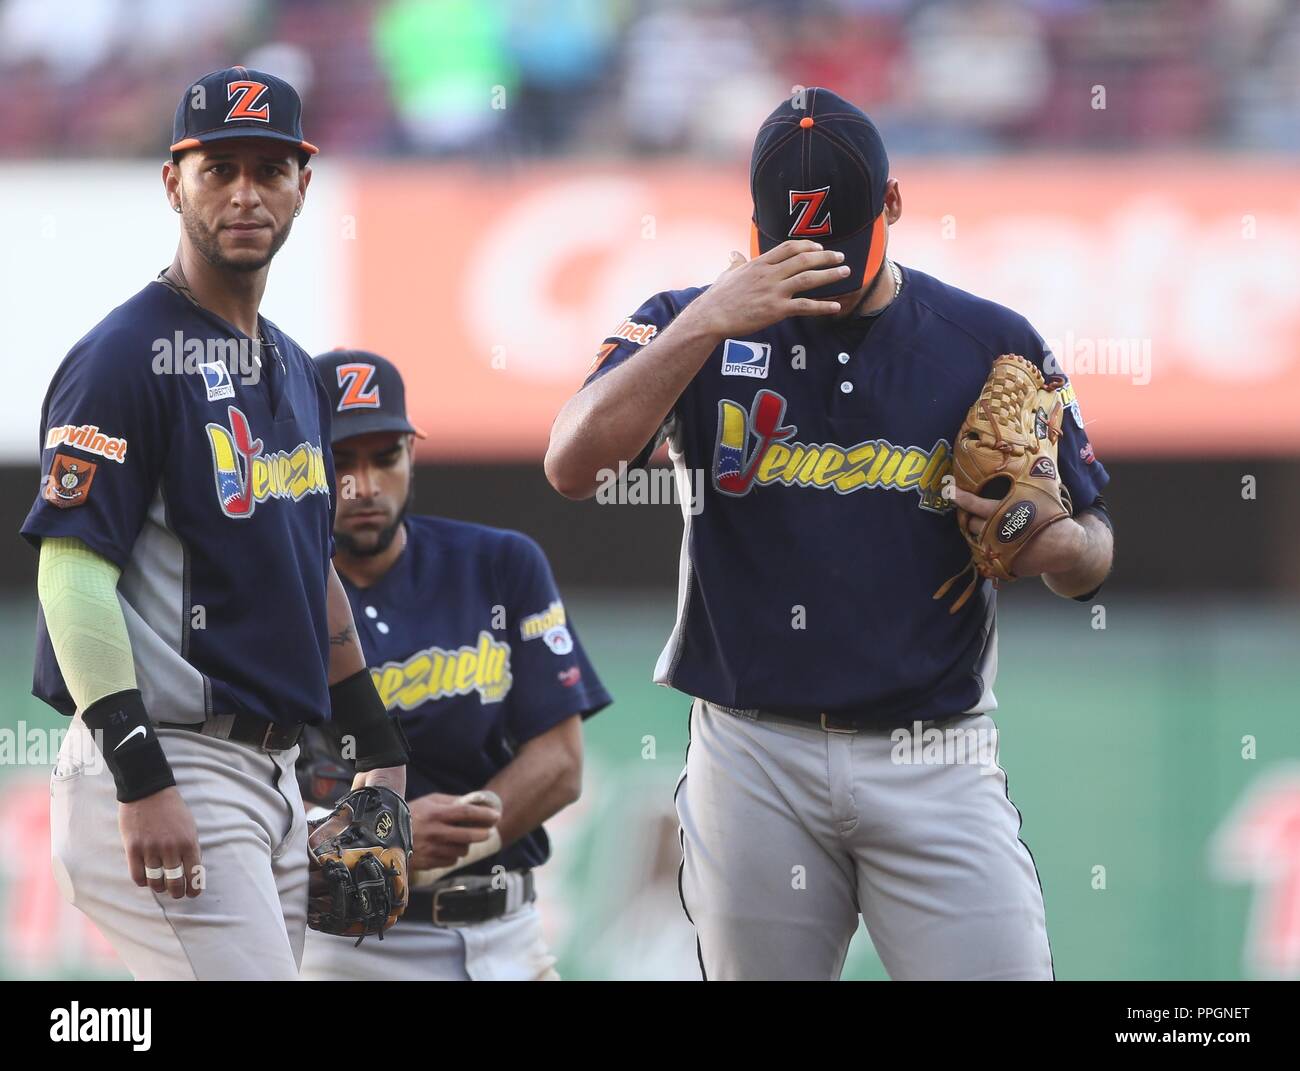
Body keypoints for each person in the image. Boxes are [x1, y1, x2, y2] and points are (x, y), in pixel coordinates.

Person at [544, 87, 1115, 981]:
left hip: (934, 755)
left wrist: (1059, 547)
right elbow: (572, 464)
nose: (826, 276)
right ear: (758, 227)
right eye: (800, 252)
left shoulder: (985, 343)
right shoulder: (687, 324)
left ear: (893, 206)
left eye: (844, 250)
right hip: (754, 754)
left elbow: (1093, 555)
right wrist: (704, 322)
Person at [21, 67, 407, 981]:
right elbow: (71, 572)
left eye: (270, 170)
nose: (245, 192)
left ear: (303, 187)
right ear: (173, 182)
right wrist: (140, 772)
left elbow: (306, 573)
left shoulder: (298, 372)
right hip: (168, 759)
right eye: (218, 167)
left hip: (274, 780)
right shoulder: (122, 358)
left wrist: (379, 749)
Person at [298, 350, 610, 981]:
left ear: (413, 451)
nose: (365, 484)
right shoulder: (276, 596)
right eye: (342, 461)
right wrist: (385, 851)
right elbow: (251, 781)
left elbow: (560, 766)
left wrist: (416, 853)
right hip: (345, 951)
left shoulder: (498, 563)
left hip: (507, 937)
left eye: (385, 456)